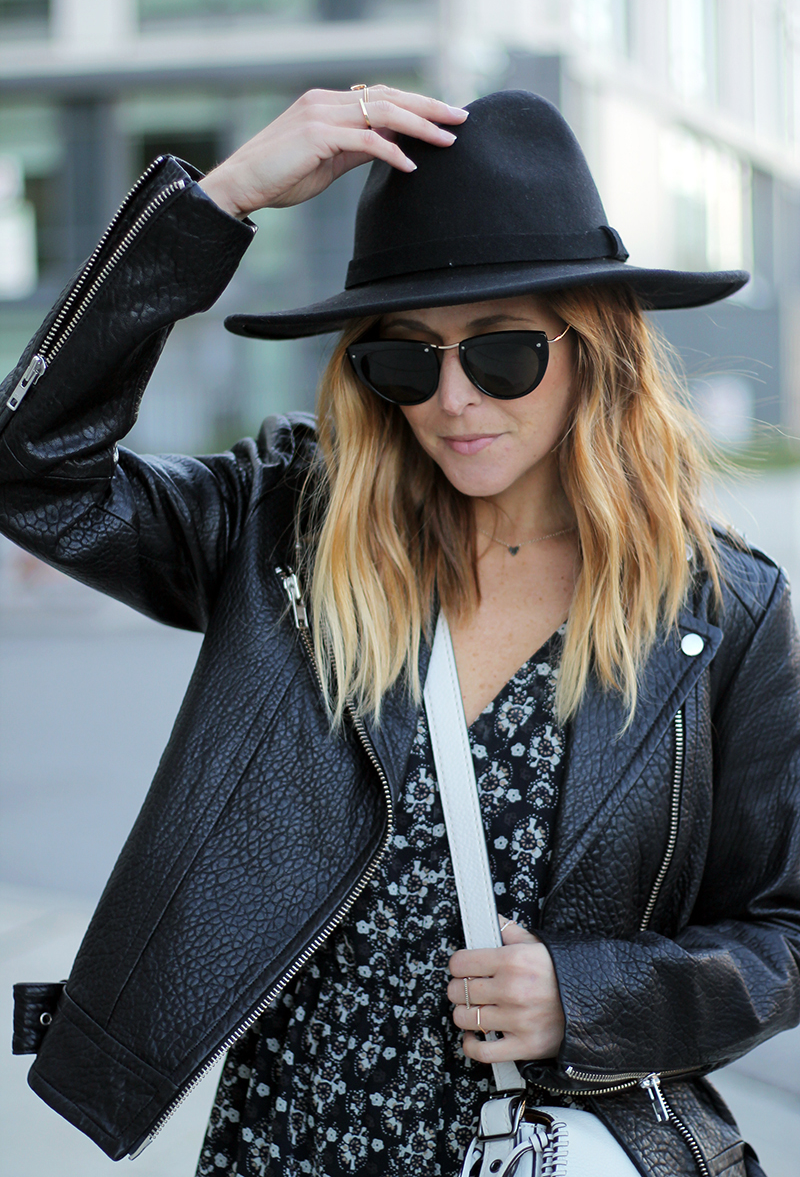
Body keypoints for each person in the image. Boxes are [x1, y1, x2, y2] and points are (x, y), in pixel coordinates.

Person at [3, 84, 799, 1177]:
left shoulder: (720, 609)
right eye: (405, 360)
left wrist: (588, 997)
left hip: (529, 1150)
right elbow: (34, 472)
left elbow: (782, 933)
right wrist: (219, 201)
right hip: (282, 1145)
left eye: (501, 354)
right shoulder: (286, 533)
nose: (452, 400)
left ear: (594, 348)